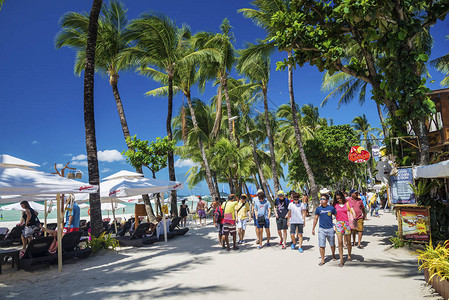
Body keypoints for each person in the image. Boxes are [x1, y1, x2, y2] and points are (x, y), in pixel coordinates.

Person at [312, 194, 337, 265]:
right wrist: (313, 228)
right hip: (321, 229)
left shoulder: (331, 208)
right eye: (321, 199)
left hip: (330, 229)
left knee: (332, 244)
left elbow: (337, 216)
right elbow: (316, 218)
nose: (321, 200)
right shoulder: (318, 209)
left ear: (327, 200)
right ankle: (322, 260)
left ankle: (333, 255)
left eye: (323, 199)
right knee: (321, 245)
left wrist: (338, 225)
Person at [333, 190, 356, 267]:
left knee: (349, 241)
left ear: (342, 197)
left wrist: (355, 218)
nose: (338, 200)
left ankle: (349, 255)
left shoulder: (347, 203)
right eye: (337, 198)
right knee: (340, 242)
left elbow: (352, 211)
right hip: (339, 223)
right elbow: (331, 212)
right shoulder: (335, 205)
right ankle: (341, 260)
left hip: (347, 223)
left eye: (339, 198)